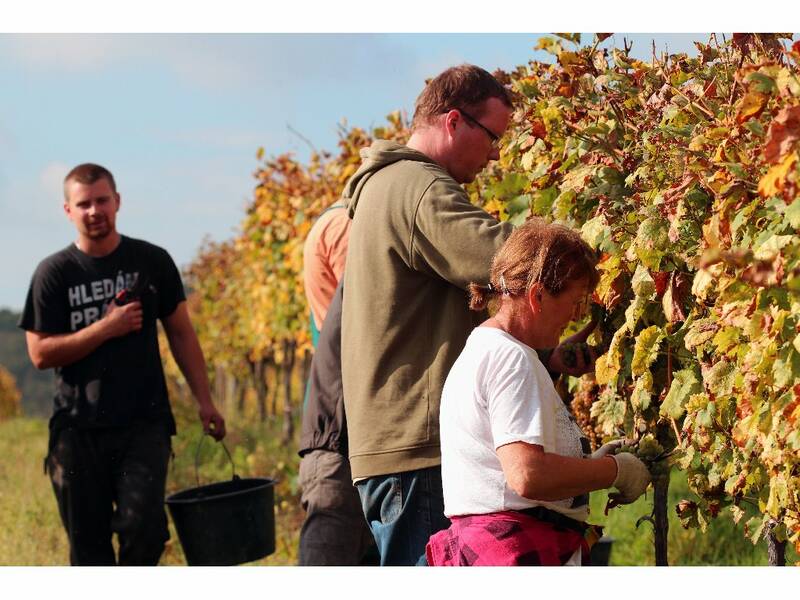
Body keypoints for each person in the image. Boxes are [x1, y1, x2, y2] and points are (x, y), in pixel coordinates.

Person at [340, 64, 596, 566]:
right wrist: (595, 259)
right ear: (454, 121)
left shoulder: (387, 187)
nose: (497, 153)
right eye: (492, 136)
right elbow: (517, 264)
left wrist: (544, 358)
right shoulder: (417, 189)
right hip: (420, 447)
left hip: (397, 442)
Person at [19, 163, 226, 566]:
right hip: (77, 430)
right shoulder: (53, 274)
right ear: (68, 211)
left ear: (118, 201)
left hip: (144, 423)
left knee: (144, 530)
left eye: (102, 200)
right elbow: (40, 354)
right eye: (84, 204)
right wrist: (105, 328)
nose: (95, 210)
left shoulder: (152, 261)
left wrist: (205, 400)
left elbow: (181, 334)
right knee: (88, 547)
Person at [426, 220, 652, 566]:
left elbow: (503, 468)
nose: (575, 318)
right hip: (514, 549)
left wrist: (582, 469)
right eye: (574, 303)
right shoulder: (510, 358)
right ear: (537, 296)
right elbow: (527, 475)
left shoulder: (485, 349)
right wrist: (614, 471)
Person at [297, 203, 375, 565]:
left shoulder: (337, 218)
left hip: (345, 420)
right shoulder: (347, 224)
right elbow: (370, 309)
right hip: (342, 427)